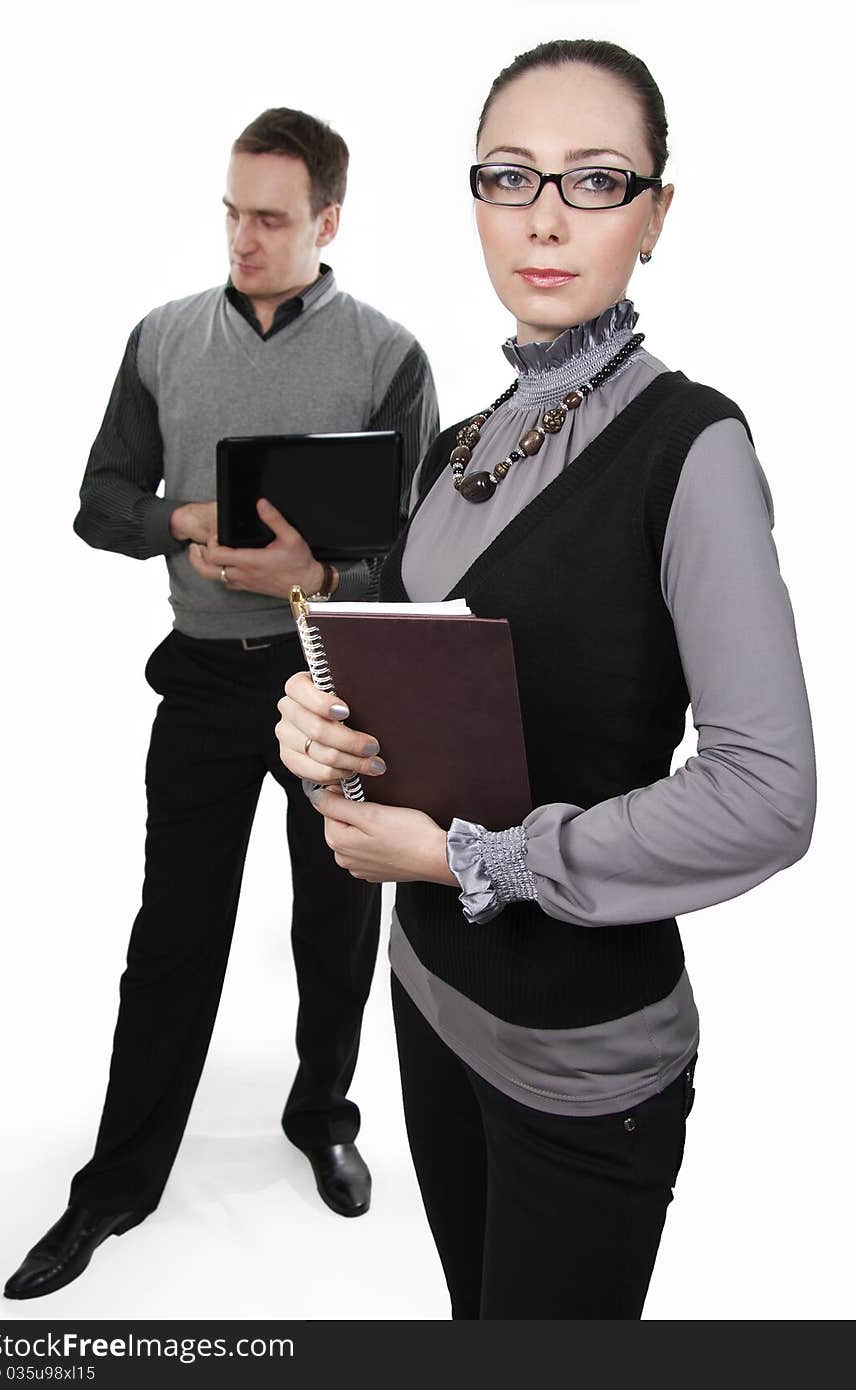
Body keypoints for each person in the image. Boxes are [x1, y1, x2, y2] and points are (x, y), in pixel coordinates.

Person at [274, 41, 816, 1319]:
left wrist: (471, 861)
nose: (545, 218)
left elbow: (765, 796)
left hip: (584, 1063)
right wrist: (308, 721)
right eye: (511, 177)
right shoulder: (462, 443)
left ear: (655, 214)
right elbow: (380, 663)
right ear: (474, 199)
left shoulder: (695, 448)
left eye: (595, 180)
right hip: (428, 999)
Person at [4, 106, 438, 1301]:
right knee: (173, 935)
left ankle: (321, 1113)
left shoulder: (388, 353)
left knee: (334, 926)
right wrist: (179, 521)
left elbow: (429, 544)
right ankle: (118, 1184)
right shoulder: (162, 338)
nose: (243, 239)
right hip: (200, 682)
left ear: (327, 222)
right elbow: (99, 500)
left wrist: (323, 578)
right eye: (232, 213)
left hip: (333, 678)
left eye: (271, 218)